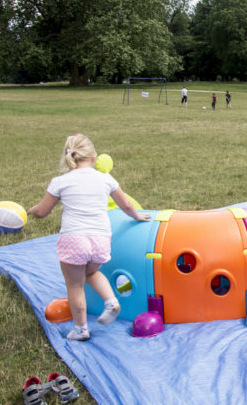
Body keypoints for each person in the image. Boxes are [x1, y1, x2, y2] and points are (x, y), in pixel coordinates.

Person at [27, 134, 151, 341]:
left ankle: (81, 329)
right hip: (101, 239)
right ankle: (111, 301)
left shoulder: (60, 181)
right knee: (91, 272)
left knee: (75, 285)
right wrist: (137, 216)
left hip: (74, 240)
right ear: (93, 156)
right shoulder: (105, 179)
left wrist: (32, 211)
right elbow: (126, 204)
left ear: (69, 157)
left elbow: (42, 212)